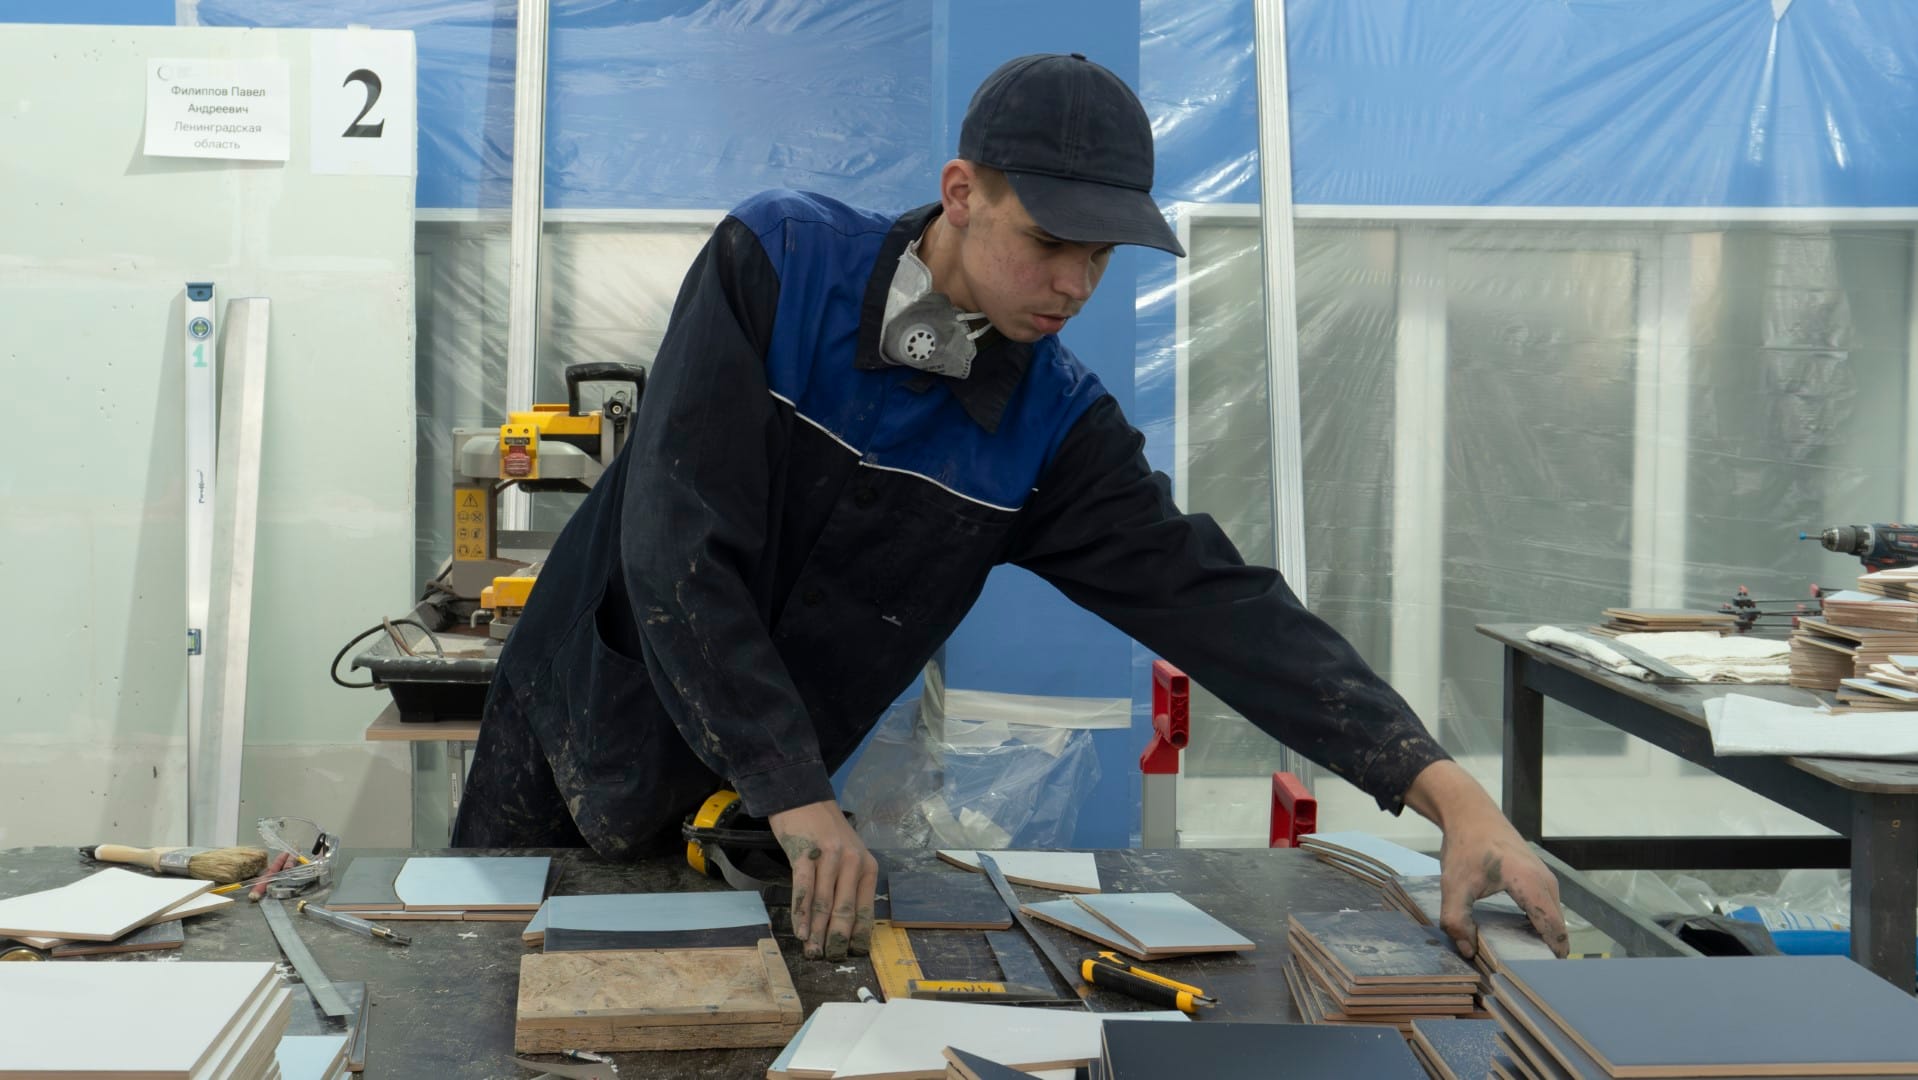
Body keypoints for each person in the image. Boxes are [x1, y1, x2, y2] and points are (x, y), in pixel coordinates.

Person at [452, 52, 1569, 966]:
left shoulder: (1050, 428)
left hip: (753, 804)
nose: (1074, 285)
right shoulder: (778, 263)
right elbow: (676, 544)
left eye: (1098, 255)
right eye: (1046, 243)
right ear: (960, 193)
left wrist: (1448, 794)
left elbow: (1219, 604)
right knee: (474, 990)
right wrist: (794, 790)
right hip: (576, 728)